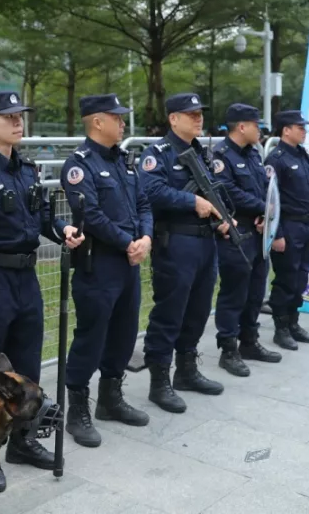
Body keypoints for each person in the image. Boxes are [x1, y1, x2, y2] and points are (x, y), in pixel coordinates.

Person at [0, 90, 83, 490]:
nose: (18, 122)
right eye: (8, 117)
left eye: (20, 115)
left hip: (26, 279)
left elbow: (42, 217)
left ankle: (22, 441)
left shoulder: (27, 169)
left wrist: (62, 230)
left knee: (26, 366)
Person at [60, 94, 152, 448]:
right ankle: (77, 410)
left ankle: (110, 399)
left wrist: (145, 238)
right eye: (117, 117)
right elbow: (92, 216)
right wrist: (129, 242)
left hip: (128, 263)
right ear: (97, 121)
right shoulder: (79, 165)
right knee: (91, 337)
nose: (123, 123)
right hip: (99, 265)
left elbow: (143, 203)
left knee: (124, 334)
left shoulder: (125, 162)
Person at [137, 93, 228, 415]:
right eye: (191, 114)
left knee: (198, 310)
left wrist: (223, 217)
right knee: (170, 312)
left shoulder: (201, 152)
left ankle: (187, 369)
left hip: (205, 242)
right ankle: (159, 380)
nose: (198, 118)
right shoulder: (158, 153)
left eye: (200, 113)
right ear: (173, 119)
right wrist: (192, 202)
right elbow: (150, 190)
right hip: (175, 242)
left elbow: (214, 189)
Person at [210, 104, 283, 377]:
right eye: (256, 125)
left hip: (258, 232)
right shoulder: (220, 156)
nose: (260, 130)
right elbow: (228, 191)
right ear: (242, 127)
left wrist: (265, 214)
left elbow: (265, 188)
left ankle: (249, 341)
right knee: (234, 292)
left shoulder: (253, 153)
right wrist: (262, 208)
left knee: (255, 291)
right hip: (235, 233)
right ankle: (228, 350)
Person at [264, 110, 309, 350]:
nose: (304, 131)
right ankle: (281, 329)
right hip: (287, 225)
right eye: (300, 127)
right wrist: (276, 233)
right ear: (286, 130)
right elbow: (270, 199)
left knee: (300, 278)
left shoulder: (302, 155)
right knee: (286, 279)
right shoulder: (276, 159)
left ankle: (293, 323)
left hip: (305, 225)